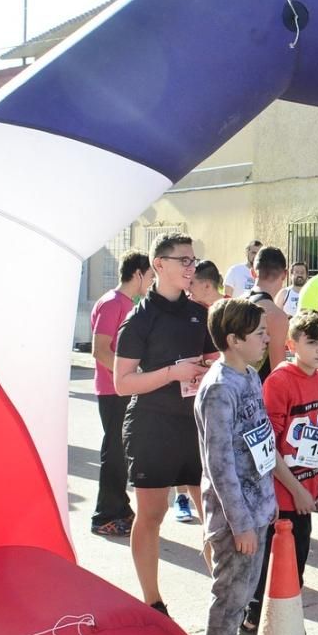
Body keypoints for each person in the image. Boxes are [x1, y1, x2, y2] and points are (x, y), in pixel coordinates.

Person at [114, 232, 217, 614]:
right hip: (151, 426)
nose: (192, 267)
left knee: (211, 511)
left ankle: (223, 592)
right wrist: (173, 372)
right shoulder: (139, 318)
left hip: (193, 423)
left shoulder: (199, 313)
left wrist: (204, 372)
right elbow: (122, 383)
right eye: (184, 261)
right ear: (160, 265)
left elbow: (212, 362)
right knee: (152, 515)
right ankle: (152, 601)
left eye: (193, 260)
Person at [240, 309, 318, 635]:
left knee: (297, 565)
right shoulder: (279, 382)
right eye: (312, 343)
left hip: (309, 490)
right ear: (292, 344)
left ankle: (286, 619)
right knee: (269, 567)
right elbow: (268, 448)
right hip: (280, 495)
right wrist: (295, 490)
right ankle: (255, 623)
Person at [194, 298, 277, 635]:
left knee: (242, 598)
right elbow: (220, 464)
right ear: (234, 340)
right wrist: (240, 523)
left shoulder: (251, 375)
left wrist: (268, 501)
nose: (267, 339)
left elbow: (260, 441)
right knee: (229, 603)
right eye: (259, 333)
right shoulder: (219, 388)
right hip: (235, 520)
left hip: (257, 508)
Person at [90, 250, 153, 537]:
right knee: (114, 454)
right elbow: (100, 349)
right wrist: (126, 376)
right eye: (151, 276)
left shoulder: (126, 302)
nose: (152, 282)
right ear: (138, 274)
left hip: (121, 388)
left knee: (122, 452)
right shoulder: (114, 303)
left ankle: (120, 508)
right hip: (114, 390)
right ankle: (105, 516)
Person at [175, 259, 227, 524]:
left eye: (192, 283)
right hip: (190, 391)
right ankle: (181, 497)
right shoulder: (187, 310)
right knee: (187, 449)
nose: (187, 288)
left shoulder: (231, 308)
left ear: (206, 285)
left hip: (222, 393)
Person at [246, 246, 290, 382]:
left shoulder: (236, 302)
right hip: (258, 391)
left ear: (253, 272)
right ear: (285, 274)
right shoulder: (276, 316)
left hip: (231, 386)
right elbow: (278, 371)